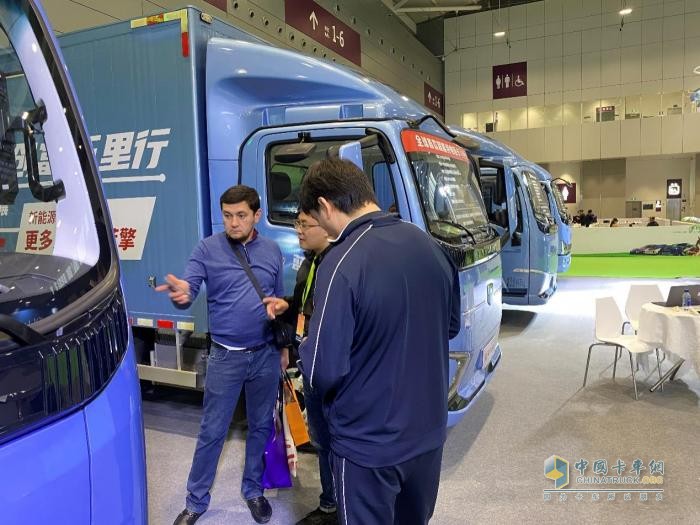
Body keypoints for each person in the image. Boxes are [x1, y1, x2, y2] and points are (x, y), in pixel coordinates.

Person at [298, 158, 460, 525]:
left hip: (368, 445)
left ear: (325, 205)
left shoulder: (340, 262)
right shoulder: (430, 244)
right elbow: (448, 327)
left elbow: (324, 368)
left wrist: (306, 349)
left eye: (314, 217)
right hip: (428, 433)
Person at [157, 185, 289, 525]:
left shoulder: (273, 251)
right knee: (212, 430)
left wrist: (284, 351)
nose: (233, 223)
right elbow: (189, 289)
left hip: (266, 355)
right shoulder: (207, 249)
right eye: (227, 216)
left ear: (256, 215)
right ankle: (196, 502)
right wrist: (181, 295)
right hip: (225, 356)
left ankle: (253, 490)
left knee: (261, 426)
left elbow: (279, 303)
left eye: (241, 215)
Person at [281, 211, 336, 525]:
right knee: (320, 439)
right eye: (297, 224)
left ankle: (344, 505)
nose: (299, 231)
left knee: (336, 439)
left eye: (305, 224)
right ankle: (329, 504)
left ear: (326, 225)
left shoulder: (338, 264)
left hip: (331, 367)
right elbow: (306, 305)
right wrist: (286, 306)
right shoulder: (310, 261)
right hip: (310, 360)